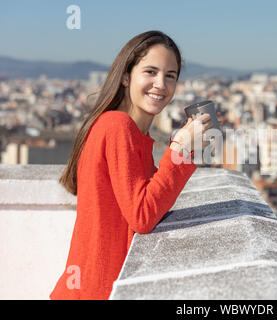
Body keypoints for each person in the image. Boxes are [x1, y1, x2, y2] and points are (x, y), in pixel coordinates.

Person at [50, 30, 214, 300]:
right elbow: (143, 216)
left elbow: (145, 204)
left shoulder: (134, 135)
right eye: (150, 72)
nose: (161, 84)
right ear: (126, 76)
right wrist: (180, 149)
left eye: (170, 75)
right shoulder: (118, 126)